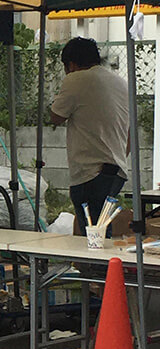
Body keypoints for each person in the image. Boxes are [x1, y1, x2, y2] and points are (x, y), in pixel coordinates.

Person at [50, 37, 129, 235]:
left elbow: (56, 116)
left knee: (92, 235)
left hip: (91, 170)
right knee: (101, 228)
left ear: (71, 64)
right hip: (116, 168)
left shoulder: (76, 79)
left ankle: (95, 257)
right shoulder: (120, 82)